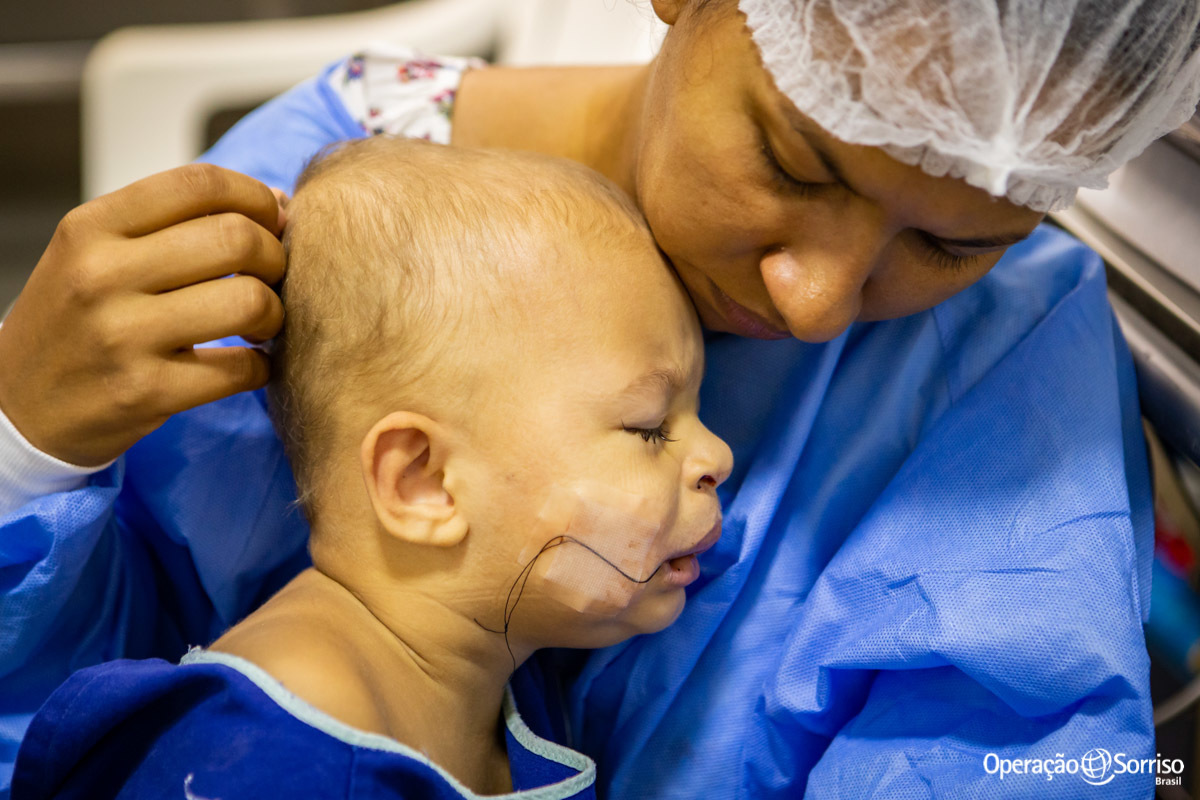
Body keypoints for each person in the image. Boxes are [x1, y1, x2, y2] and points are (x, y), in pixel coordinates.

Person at [0, 0, 1197, 797]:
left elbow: (1022, 755)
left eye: (950, 245)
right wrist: (26, 453)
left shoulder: (1014, 339)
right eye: (791, 161)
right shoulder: (310, 219)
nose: (818, 300)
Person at [11, 135, 732, 800]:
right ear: (422, 481)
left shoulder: (506, 678)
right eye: (648, 427)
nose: (717, 456)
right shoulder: (256, 760)